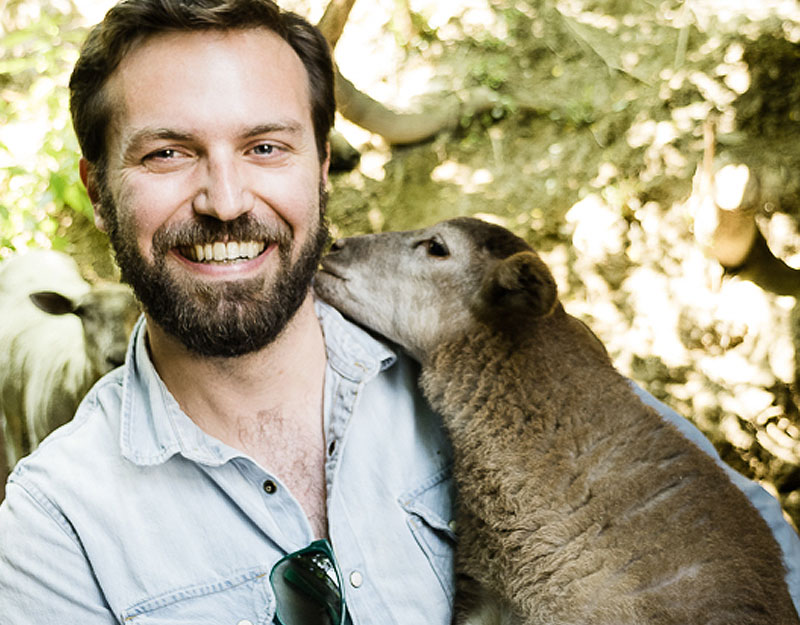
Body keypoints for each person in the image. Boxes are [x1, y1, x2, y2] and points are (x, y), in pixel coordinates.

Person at [0, 0, 797, 623]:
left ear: (321, 167)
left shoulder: (481, 349)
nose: (227, 199)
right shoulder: (56, 526)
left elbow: (753, 554)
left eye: (266, 147)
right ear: (98, 191)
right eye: (167, 153)